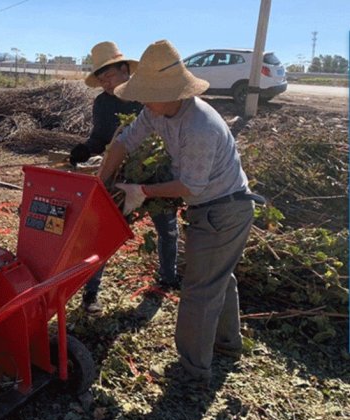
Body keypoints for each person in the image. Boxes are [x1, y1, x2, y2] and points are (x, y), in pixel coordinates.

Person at [97, 40, 259, 386]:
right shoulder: (157, 111)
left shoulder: (200, 126)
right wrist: (102, 182)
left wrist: (142, 191)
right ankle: (228, 345)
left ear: (173, 92)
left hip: (224, 209)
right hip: (216, 207)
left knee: (199, 290)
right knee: (218, 279)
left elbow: (190, 186)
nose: (143, 102)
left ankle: (193, 371)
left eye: (148, 94)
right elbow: (125, 141)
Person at [70, 41, 179, 315]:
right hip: (119, 177)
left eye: (109, 76)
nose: (106, 83)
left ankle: (168, 278)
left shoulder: (147, 97)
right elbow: (101, 139)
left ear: (124, 70)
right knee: (106, 232)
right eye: (101, 79)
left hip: (155, 174)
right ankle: (91, 294)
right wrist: (86, 149)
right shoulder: (102, 103)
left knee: (166, 228)